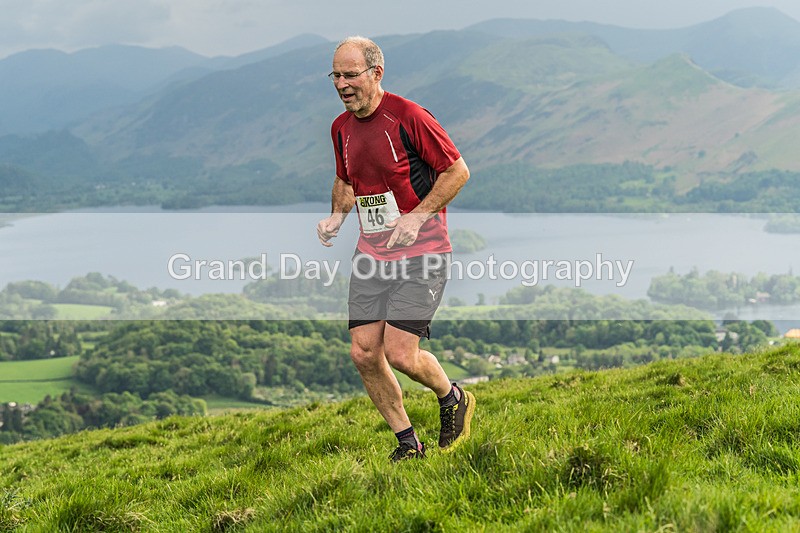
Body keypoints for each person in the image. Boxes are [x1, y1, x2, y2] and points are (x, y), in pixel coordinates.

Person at [316, 36, 475, 462]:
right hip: (372, 255)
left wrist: (418, 215)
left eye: (351, 75)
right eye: (337, 75)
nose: (342, 84)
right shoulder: (340, 128)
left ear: (376, 73)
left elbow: (457, 171)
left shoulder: (409, 117)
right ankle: (408, 443)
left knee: (400, 352)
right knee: (364, 352)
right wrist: (336, 216)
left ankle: (452, 396)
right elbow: (347, 180)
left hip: (423, 253)